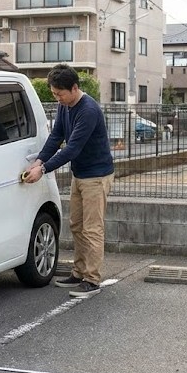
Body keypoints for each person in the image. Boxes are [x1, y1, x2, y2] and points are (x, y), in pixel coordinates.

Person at [23, 63, 114, 299]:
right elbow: (56, 136)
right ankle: (79, 272)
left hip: (96, 176)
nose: (57, 98)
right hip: (80, 174)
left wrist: (42, 169)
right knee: (76, 224)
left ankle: (92, 279)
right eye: (54, 93)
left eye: (59, 93)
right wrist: (40, 159)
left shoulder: (89, 110)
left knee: (92, 228)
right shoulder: (65, 107)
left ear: (74, 88)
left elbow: (72, 148)